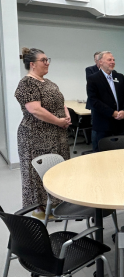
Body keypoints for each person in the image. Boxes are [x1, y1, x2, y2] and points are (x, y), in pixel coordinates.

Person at [15, 47, 71, 220]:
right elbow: (35, 110)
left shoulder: (49, 82)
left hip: (56, 134)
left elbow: (60, 102)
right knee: (39, 173)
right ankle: (40, 208)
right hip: (35, 136)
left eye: (48, 60)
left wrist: (66, 115)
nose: (47, 63)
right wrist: (58, 121)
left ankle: (55, 203)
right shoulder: (27, 83)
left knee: (57, 169)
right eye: (43, 60)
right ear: (32, 64)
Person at [87, 51, 124, 152]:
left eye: (113, 60)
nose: (112, 62)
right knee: (103, 155)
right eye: (109, 60)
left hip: (121, 123)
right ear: (101, 62)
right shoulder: (93, 79)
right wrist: (112, 113)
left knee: (121, 153)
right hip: (103, 124)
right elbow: (94, 101)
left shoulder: (120, 77)